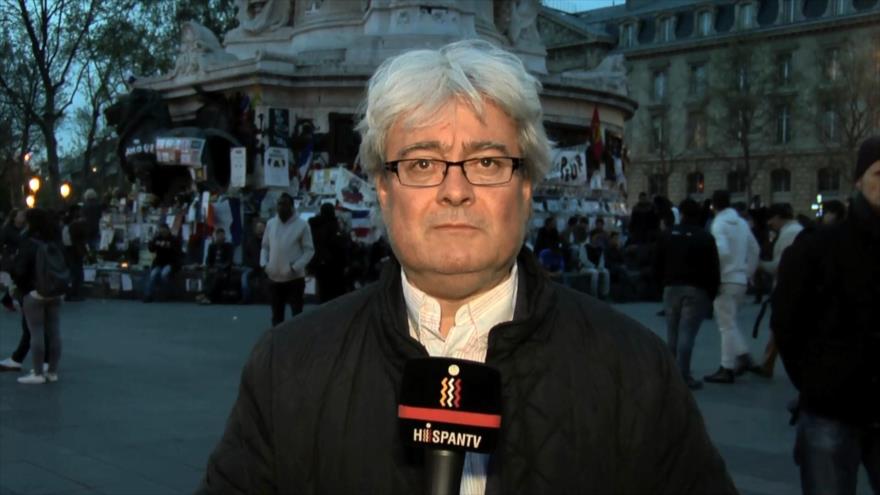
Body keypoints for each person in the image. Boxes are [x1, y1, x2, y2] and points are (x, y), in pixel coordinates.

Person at [199, 40, 735, 494]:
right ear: (384, 190)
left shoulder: (635, 370)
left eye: (486, 162)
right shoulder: (286, 368)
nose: (455, 190)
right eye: (423, 163)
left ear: (526, 188)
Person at [773, 136, 880, 495]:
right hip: (831, 411)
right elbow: (787, 323)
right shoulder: (818, 247)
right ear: (858, 180)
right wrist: (818, 383)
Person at [654, 198, 721, 390]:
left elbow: (657, 262)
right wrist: (712, 292)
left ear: (681, 213)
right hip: (696, 289)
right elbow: (713, 267)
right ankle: (683, 373)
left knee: (672, 331)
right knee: (687, 333)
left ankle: (669, 372)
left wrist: (661, 283)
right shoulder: (705, 237)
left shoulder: (667, 235)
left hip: (671, 287)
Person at [704, 189, 760, 384]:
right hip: (740, 279)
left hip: (726, 278)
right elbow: (755, 249)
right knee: (730, 322)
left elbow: (722, 252)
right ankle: (743, 356)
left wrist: (715, 273)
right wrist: (747, 272)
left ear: (713, 205)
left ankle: (726, 366)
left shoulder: (719, 224)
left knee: (725, 325)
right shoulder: (742, 224)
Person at [11, 209, 65, 384]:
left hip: (34, 291)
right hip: (55, 290)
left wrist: (19, 286)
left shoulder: (28, 241)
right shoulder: (53, 238)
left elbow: (20, 270)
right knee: (54, 331)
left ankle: (38, 372)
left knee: (36, 332)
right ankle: (52, 371)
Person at [750, 203, 803, 378]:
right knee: (780, 327)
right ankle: (767, 363)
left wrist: (759, 265)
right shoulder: (795, 230)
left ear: (779, 217)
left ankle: (768, 364)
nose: (770, 223)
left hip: (786, 287)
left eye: (771, 218)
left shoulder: (789, 234)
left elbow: (780, 265)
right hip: (790, 286)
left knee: (781, 326)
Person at [0, 209, 48, 373]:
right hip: (49, 285)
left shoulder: (28, 239)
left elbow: (21, 269)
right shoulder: (48, 236)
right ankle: (46, 362)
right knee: (44, 326)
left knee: (31, 327)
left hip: (31, 286)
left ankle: (30, 363)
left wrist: (16, 281)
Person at [260, 193, 314, 325]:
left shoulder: (302, 225)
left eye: (284, 204)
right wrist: (264, 264)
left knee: (297, 315)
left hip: (294, 278)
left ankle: (297, 342)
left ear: (291, 207)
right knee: (277, 316)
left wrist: (295, 267)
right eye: (279, 204)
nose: (281, 207)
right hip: (274, 277)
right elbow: (265, 246)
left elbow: (309, 250)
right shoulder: (271, 224)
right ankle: (277, 343)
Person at [307, 203, 349, 303]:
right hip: (334, 264)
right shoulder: (333, 225)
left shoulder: (314, 226)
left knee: (323, 292)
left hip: (320, 262)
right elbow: (339, 245)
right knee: (335, 293)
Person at [143, 223, 182, 302]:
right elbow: (151, 249)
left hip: (170, 263)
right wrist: (152, 242)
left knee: (164, 274)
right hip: (159, 263)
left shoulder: (173, 239)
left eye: (164, 230)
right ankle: (148, 295)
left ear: (167, 230)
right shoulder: (157, 238)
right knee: (152, 275)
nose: (162, 232)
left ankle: (165, 294)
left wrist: (166, 246)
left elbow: (177, 251)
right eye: (161, 230)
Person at [196, 228, 235, 305]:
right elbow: (208, 260)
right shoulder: (212, 246)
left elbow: (229, 261)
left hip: (224, 270)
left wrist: (219, 268)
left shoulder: (229, 246)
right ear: (215, 236)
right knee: (208, 274)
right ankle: (205, 295)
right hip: (213, 268)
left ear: (224, 236)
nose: (220, 237)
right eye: (218, 235)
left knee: (217, 275)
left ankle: (207, 296)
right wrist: (210, 267)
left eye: (222, 235)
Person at [576, 229, 610, 299]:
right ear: (591, 237)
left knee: (606, 272)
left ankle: (605, 294)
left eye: (599, 237)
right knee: (595, 273)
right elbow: (584, 260)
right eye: (596, 237)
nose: (597, 239)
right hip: (585, 268)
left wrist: (600, 267)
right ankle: (594, 295)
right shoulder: (584, 246)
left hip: (597, 268)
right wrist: (594, 266)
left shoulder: (600, 248)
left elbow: (602, 260)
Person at [240, 219, 265, 304]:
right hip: (252, 266)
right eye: (258, 227)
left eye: (261, 227)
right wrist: (252, 264)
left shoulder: (269, 241)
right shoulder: (250, 241)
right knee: (244, 277)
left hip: (266, 266)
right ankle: (246, 298)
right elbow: (246, 256)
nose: (260, 229)